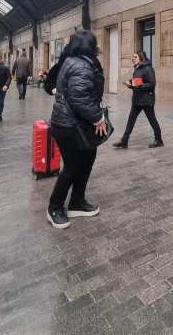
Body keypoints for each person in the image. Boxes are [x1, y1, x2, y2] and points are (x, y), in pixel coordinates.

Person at [47, 30, 107, 229]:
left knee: (87, 161)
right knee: (72, 167)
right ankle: (54, 208)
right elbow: (78, 98)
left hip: (77, 123)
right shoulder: (80, 64)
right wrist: (98, 118)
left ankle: (77, 202)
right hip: (68, 125)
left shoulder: (75, 60)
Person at [112, 51, 164, 149]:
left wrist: (137, 85)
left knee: (152, 121)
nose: (133, 58)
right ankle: (124, 141)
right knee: (130, 121)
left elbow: (152, 83)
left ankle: (159, 140)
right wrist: (130, 84)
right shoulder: (137, 68)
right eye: (132, 57)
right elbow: (137, 83)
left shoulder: (148, 69)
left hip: (146, 100)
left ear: (141, 58)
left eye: (135, 57)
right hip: (137, 100)